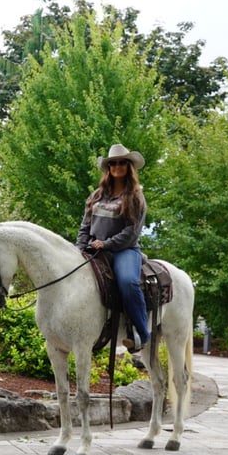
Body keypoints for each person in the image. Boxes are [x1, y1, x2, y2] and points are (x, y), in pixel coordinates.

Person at [75, 144, 150, 352]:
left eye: (122, 163)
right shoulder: (96, 196)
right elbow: (85, 227)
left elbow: (131, 232)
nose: (117, 166)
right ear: (108, 168)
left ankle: (142, 334)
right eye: (113, 163)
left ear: (128, 167)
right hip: (95, 248)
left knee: (127, 282)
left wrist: (106, 243)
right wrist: (78, 249)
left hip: (124, 250)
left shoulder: (135, 196)